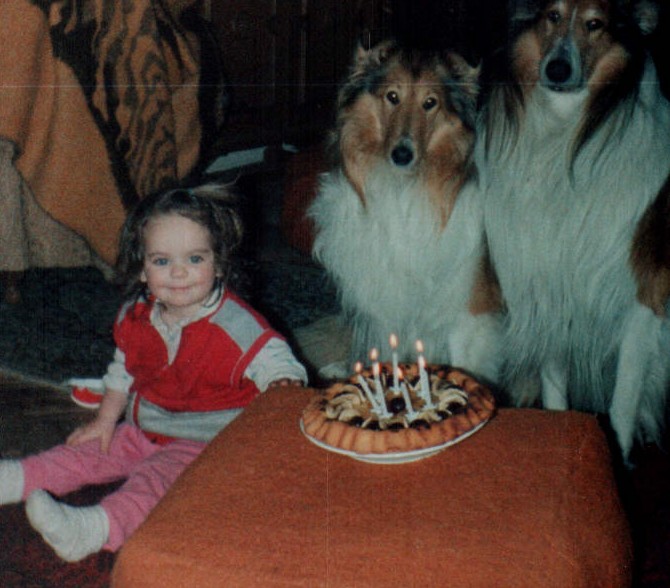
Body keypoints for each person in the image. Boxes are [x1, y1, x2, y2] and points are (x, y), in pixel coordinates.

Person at [0, 184, 307, 562]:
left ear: (219, 265)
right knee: (83, 453)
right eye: (161, 261)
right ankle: (13, 479)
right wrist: (105, 420)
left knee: (154, 481)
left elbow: (277, 359)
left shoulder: (236, 324)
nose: (178, 272)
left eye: (195, 258)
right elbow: (122, 370)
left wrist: (283, 382)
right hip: (145, 428)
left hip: (206, 442)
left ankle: (94, 529)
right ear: (143, 268)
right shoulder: (137, 314)